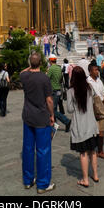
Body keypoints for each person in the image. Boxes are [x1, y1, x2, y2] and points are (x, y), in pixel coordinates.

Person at [20, 51, 55, 194]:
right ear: (41, 63)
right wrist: (52, 115)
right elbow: (49, 100)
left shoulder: (24, 76)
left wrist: (30, 66)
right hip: (41, 118)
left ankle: (28, 180)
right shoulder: (44, 78)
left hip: (28, 117)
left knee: (28, 149)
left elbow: (23, 71)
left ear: (30, 63)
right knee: (43, 151)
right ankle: (42, 184)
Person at [67, 66, 99, 187]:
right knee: (93, 151)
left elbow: (69, 109)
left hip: (80, 126)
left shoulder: (71, 91)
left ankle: (85, 179)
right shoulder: (89, 87)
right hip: (91, 124)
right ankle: (95, 175)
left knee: (83, 153)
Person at [87, 63, 104, 160]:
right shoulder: (87, 81)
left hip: (101, 107)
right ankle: (92, 150)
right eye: (95, 70)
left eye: (97, 70)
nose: (97, 71)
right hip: (92, 108)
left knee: (101, 131)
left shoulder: (99, 81)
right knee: (92, 132)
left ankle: (100, 151)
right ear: (90, 71)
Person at [47, 56, 71, 132]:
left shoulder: (51, 69)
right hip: (59, 90)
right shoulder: (58, 68)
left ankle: (66, 121)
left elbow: (46, 79)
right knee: (54, 108)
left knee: (52, 110)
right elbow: (61, 79)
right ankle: (54, 123)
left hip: (53, 90)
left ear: (50, 61)